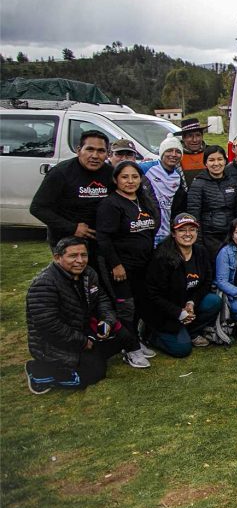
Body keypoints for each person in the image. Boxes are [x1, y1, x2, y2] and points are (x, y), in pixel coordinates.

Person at [24, 237, 135, 393]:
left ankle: (89, 357)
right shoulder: (44, 284)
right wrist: (83, 342)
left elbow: (102, 300)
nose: (80, 260)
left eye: (84, 255)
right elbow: (48, 326)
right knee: (95, 373)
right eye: (73, 256)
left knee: (125, 337)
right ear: (57, 258)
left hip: (83, 331)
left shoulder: (89, 273)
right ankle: (39, 372)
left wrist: (107, 321)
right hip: (53, 343)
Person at [95, 161, 160, 368]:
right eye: (125, 177)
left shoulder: (143, 200)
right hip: (122, 267)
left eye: (134, 177)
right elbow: (103, 237)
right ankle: (129, 348)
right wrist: (116, 264)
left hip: (144, 264)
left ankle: (136, 341)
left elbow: (151, 227)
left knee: (140, 303)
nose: (130, 181)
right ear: (116, 180)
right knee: (126, 308)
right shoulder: (111, 204)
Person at [145, 213, 221, 356]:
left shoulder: (201, 252)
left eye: (192, 229)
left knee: (214, 301)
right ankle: (151, 335)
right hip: (165, 312)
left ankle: (192, 331)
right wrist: (178, 312)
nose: (188, 234)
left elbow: (206, 282)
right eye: (181, 230)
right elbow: (153, 295)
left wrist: (192, 303)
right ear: (173, 233)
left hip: (188, 305)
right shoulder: (162, 257)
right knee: (182, 350)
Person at [30, 129, 114, 257]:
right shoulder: (60, 173)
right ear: (79, 150)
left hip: (98, 239)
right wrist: (72, 228)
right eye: (90, 149)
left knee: (98, 276)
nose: (95, 156)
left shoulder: (110, 173)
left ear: (107, 154)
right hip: (67, 239)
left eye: (101, 151)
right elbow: (37, 208)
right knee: (73, 275)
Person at [187, 146, 237, 260]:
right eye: (211, 160)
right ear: (205, 163)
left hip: (231, 234)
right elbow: (194, 214)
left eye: (220, 159)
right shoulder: (198, 184)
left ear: (225, 161)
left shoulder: (232, 181)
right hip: (209, 237)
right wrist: (199, 241)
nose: (216, 163)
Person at [140, 134, 186, 245]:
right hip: (148, 227)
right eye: (169, 150)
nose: (174, 155)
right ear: (162, 153)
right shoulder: (147, 167)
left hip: (166, 231)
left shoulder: (177, 176)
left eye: (178, 151)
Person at [174, 118, 209, 186]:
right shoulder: (176, 156)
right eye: (190, 136)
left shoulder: (210, 153)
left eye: (198, 135)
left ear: (202, 136)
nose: (195, 140)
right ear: (183, 138)